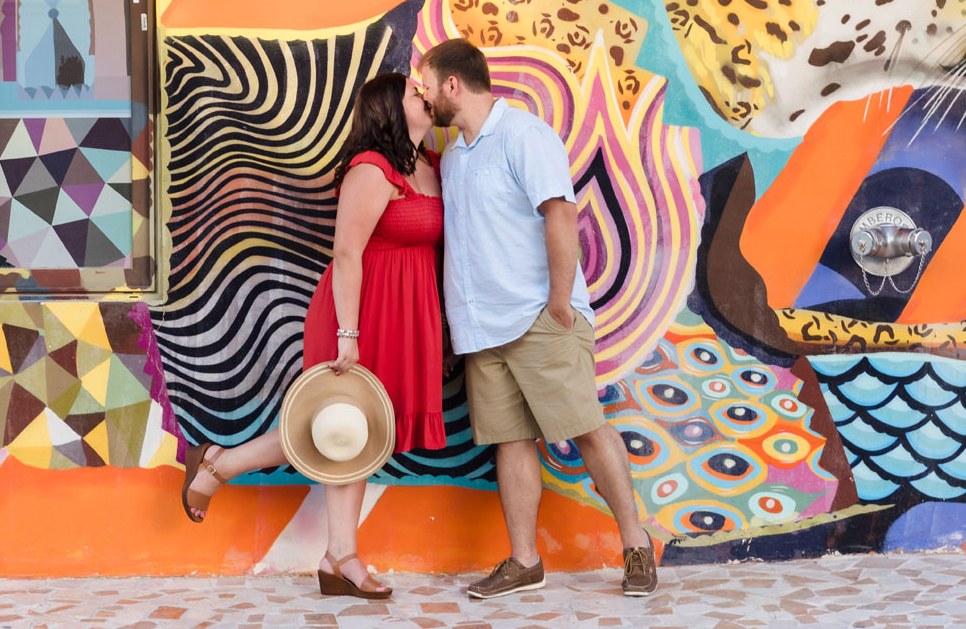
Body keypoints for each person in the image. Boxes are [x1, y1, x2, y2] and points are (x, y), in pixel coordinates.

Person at [180, 71, 447, 600]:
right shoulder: (370, 170)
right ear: (393, 109)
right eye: (416, 93)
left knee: (361, 435)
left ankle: (227, 470)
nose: (425, 96)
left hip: (407, 314)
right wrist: (349, 333)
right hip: (362, 314)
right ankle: (332, 551)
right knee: (337, 427)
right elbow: (347, 255)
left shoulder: (427, 164)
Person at [418, 38, 657, 598]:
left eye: (426, 85)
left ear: (453, 85)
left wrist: (557, 302)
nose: (424, 97)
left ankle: (635, 545)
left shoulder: (524, 136)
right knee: (510, 440)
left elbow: (561, 214)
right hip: (482, 327)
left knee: (585, 428)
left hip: (537, 316)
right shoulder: (454, 156)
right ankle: (525, 561)